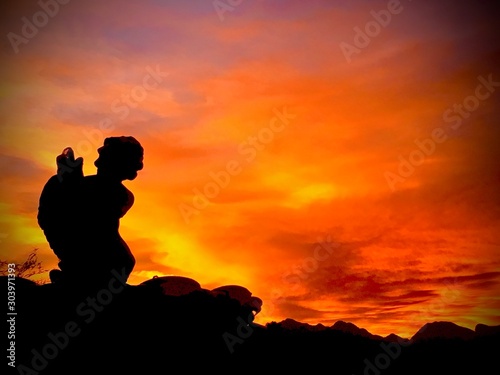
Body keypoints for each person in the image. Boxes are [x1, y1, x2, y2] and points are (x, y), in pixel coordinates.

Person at [38, 136, 144, 289]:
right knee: (120, 263)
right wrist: (68, 182)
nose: (99, 155)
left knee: (123, 262)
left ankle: (83, 281)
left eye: (106, 155)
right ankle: (78, 278)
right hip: (85, 250)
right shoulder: (85, 185)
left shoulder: (121, 194)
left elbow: (97, 213)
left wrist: (72, 183)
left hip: (104, 256)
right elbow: (75, 213)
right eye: (103, 154)